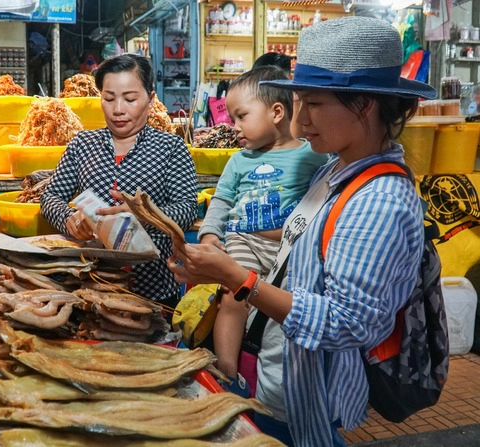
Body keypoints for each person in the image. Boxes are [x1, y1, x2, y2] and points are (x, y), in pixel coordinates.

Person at [167, 16, 436, 446]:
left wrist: (237, 278)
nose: (301, 119)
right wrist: (219, 269)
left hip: (307, 396)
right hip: (279, 372)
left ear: (363, 104)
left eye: (313, 103)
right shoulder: (334, 172)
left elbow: (348, 323)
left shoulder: (380, 199)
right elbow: (300, 254)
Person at [199, 65, 328, 396]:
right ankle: (226, 368)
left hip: (289, 252)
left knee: (282, 308)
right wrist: (211, 235)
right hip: (244, 239)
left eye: (241, 116)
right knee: (234, 295)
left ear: (276, 112)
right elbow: (222, 200)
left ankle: (284, 376)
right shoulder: (239, 161)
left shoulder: (311, 156)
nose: (234, 127)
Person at [40, 53, 197, 309]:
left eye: (130, 99)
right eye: (109, 98)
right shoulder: (83, 145)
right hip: (90, 283)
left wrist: (145, 213)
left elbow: (187, 209)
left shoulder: (171, 148)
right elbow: (50, 197)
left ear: (150, 99)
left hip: (152, 286)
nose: (118, 109)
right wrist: (69, 219)